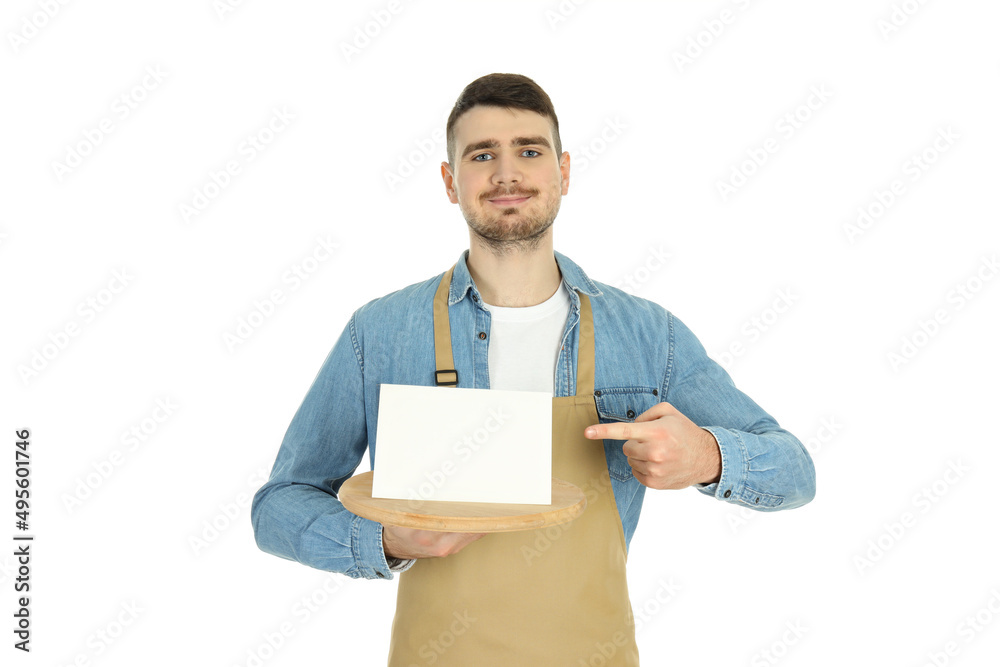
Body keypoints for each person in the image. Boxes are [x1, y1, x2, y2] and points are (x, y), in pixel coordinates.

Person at [251, 72, 816, 665]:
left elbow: (795, 472)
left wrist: (707, 455)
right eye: (481, 154)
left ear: (564, 172)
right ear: (450, 181)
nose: (506, 173)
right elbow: (279, 505)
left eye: (528, 150)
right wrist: (383, 540)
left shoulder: (649, 335)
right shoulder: (382, 333)